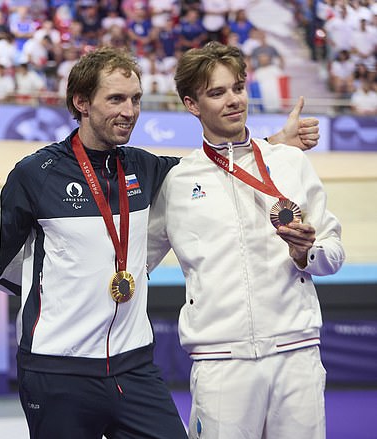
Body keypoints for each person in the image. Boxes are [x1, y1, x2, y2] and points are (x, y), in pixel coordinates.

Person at [0, 46, 320, 439]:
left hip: (133, 368)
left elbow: (212, 169)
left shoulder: (146, 167)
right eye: (115, 99)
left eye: (135, 100)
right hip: (57, 369)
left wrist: (271, 142)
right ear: (81, 102)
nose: (129, 111)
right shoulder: (35, 174)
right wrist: (47, 289)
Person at [147, 41, 345, 439]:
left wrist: (307, 254)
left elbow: (334, 253)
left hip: (297, 355)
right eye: (216, 93)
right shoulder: (177, 181)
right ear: (191, 104)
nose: (233, 100)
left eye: (237, 87)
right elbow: (138, 261)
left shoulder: (289, 162)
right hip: (221, 362)